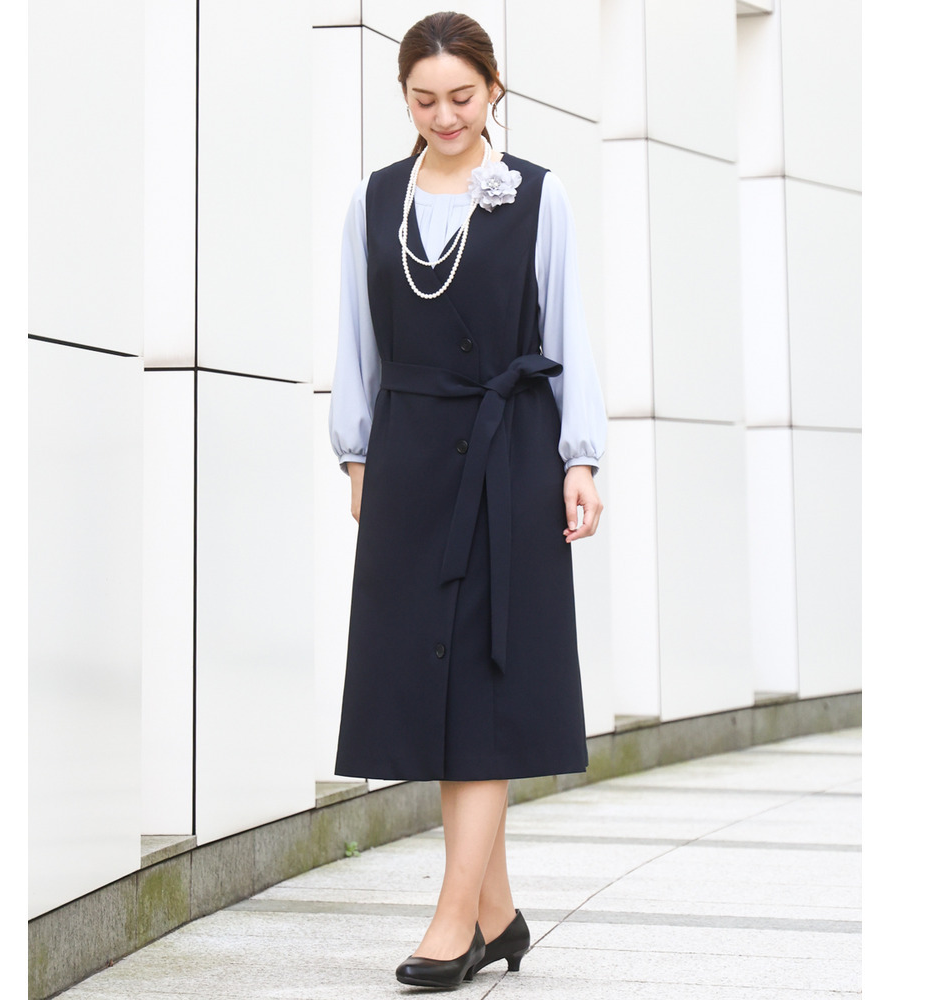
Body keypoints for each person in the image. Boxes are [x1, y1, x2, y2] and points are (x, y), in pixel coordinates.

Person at [328, 11, 606, 989]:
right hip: (407, 460)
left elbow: (570, 327)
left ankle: (454, 924)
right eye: (424, 100)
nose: (444, 116)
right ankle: (499, 914)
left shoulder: (538, 194)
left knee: (484, 685)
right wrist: (356, 456)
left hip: (509, 456)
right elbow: (356, 337)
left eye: (461, 96)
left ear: (494, 89)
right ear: (404, 99)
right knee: (431, 685)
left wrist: (580, 458)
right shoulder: (376, 200)